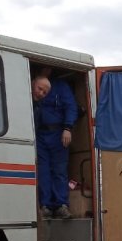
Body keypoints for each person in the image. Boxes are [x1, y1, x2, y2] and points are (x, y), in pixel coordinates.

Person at [33, 68, 78, 219]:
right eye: (40, 89)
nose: (41, 93)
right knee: (43, 170)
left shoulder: (61, 86)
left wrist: (68, 128)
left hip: (58, 133)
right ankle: (45, 205)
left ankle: (61, 205)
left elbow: (71, 107)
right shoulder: (32, 89)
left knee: (59, 169)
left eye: (44, 91)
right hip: (39, 134)